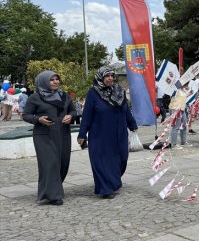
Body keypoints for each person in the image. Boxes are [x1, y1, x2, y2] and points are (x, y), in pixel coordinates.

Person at [77, 67, 138, 199]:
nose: (110, 78)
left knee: (122, 158)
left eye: (111, 75)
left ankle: (112, 182)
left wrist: (132, 123)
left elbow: (126, 110)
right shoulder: (93, 93)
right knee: (102, 161)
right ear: (101, 78)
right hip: (100, 134)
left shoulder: (119, 91)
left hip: (119, 133)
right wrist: (82, 134)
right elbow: (87, 115)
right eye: (107, 76)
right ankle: (105, 188)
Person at [22, 71, 76, 205]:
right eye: (52, 80)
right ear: (44, 82)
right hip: (44, 136)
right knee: (50, 164)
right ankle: (53, 195)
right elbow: (26, 115)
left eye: (57, 79)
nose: (56, 82)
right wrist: (38, 119)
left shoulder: (64, 96)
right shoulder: (35, 97)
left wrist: (71, 116)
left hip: (63, 134)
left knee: (63, 163)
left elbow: (73, 111)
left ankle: (52, 189)